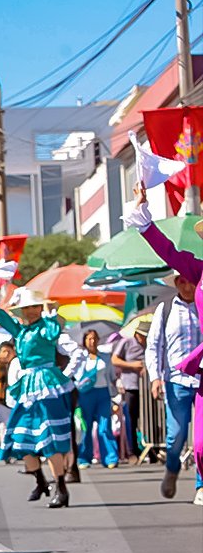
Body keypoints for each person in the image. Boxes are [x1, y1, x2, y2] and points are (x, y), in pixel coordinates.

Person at [125, 183, 203, 505]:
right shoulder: (198, 271)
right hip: (187, 374)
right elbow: (167, 251)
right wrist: (143, 215)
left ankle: (200, 485)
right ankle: (177, 470)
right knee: (188, 441)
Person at [0, 286, 75, 507]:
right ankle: (40, 481)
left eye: (35, 306)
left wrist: (50, 313)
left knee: (50, 436)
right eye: (28, 308)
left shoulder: (46, 326)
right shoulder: (21, 332)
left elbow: (53, 334)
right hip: (27, 387)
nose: (32, 311)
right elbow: (1, 318)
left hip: (46, 382)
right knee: (21, 437)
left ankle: (61, 488)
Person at [145, 274, 201, 498]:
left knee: (201, 439)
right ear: (176, 283)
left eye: (191, 281)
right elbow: (154, 345)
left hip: (202, 380)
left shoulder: (202, 305)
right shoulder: (165, 309)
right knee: (176, 435)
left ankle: (201, 484)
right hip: (176, 381)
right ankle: (172, 468)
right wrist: (155, 377)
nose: (187, 286)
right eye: (182, 281)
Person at [75, 330, 119, 469]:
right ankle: (84, 457)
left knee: (104, 426)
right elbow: (76, 376)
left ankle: (110, 457)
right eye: (89, 339)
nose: (92, 342)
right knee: (85, 427)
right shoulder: (81, 358)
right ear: (85, 341)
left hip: (103, 393)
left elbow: (112, 376)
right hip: (86, 394)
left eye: (94, 339)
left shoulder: (105, 357)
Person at [111, 321, 148, 464]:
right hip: (130, 385)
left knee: (148, 419)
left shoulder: (150, 345)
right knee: (131, 419)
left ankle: (150, 448)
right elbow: (115, 359)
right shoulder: (126, 343)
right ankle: (132, 451)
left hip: (146, 386)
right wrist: (133, 365)